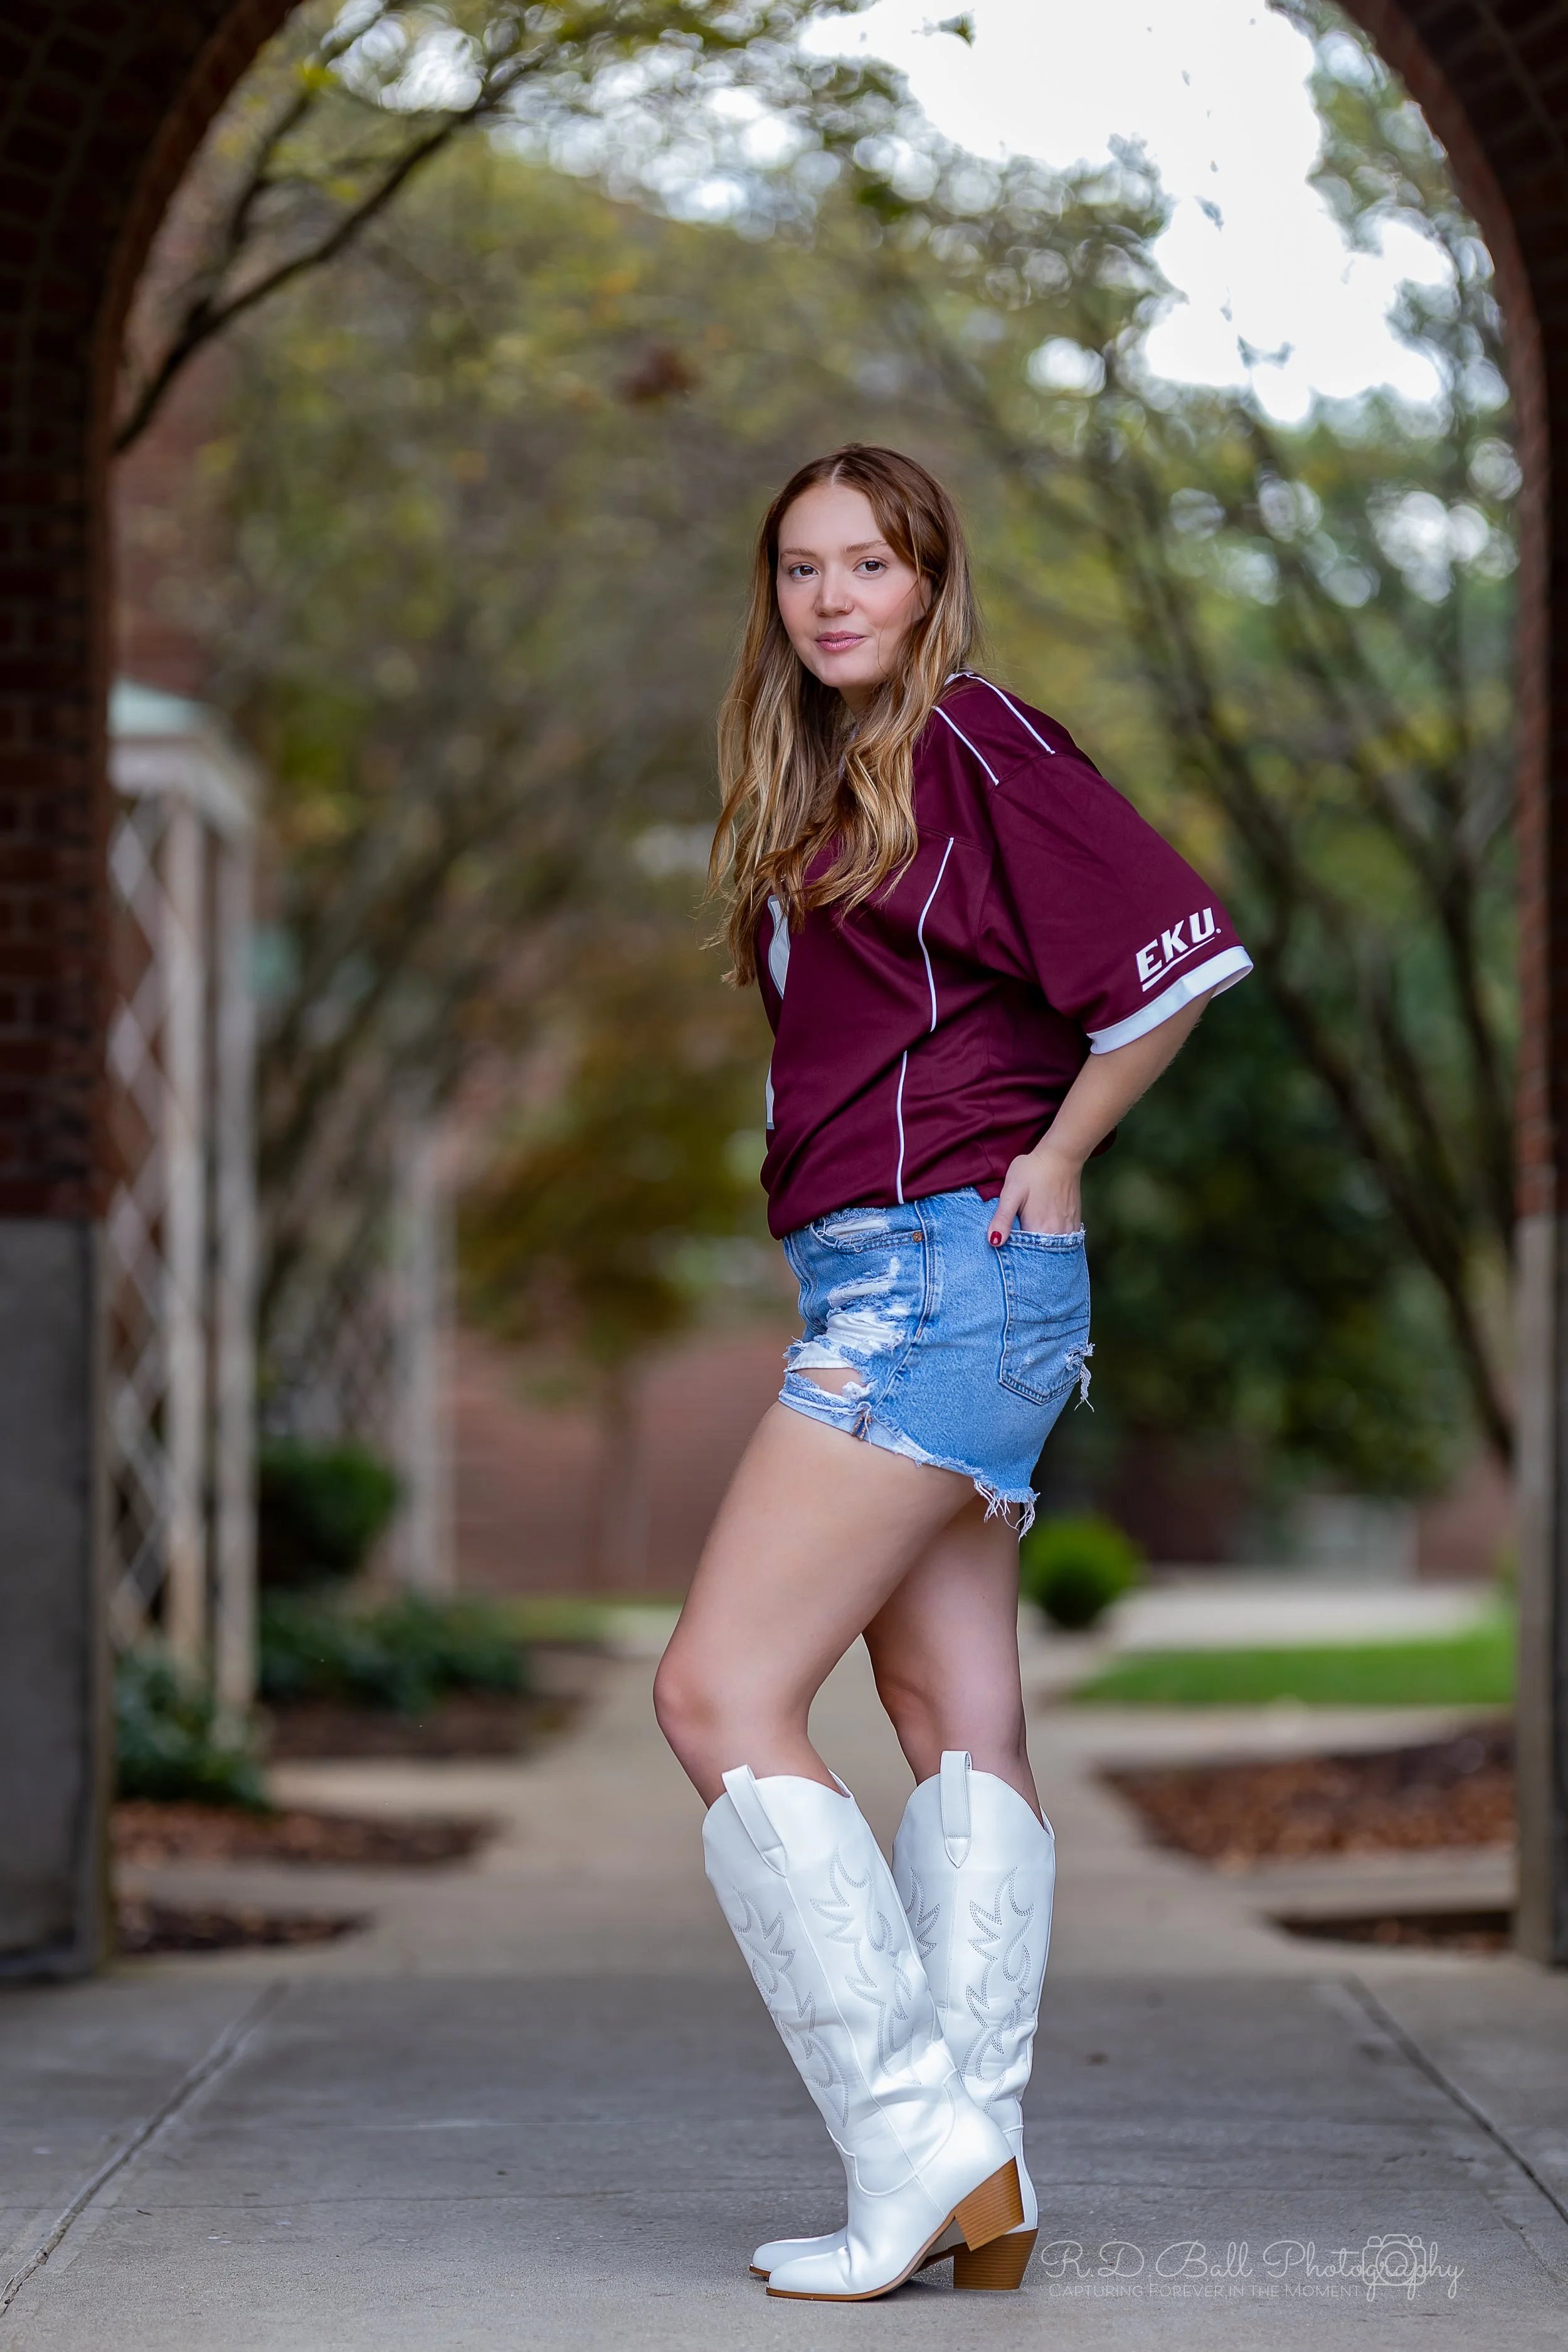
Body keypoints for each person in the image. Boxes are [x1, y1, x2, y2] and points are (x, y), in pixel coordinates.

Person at [653, 445, 1251, 2303]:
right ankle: (975, 2168)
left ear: (929, 580)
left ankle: (916, 2138)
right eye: (802, 569)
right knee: (958, 1725)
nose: (833, 596)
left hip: (935, 1281)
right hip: (910, 1276)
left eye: (871, 564)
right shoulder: (833, 784)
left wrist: (1060, 1152)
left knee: (714, 1691)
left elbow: (1173, 961)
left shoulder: (975, 740)